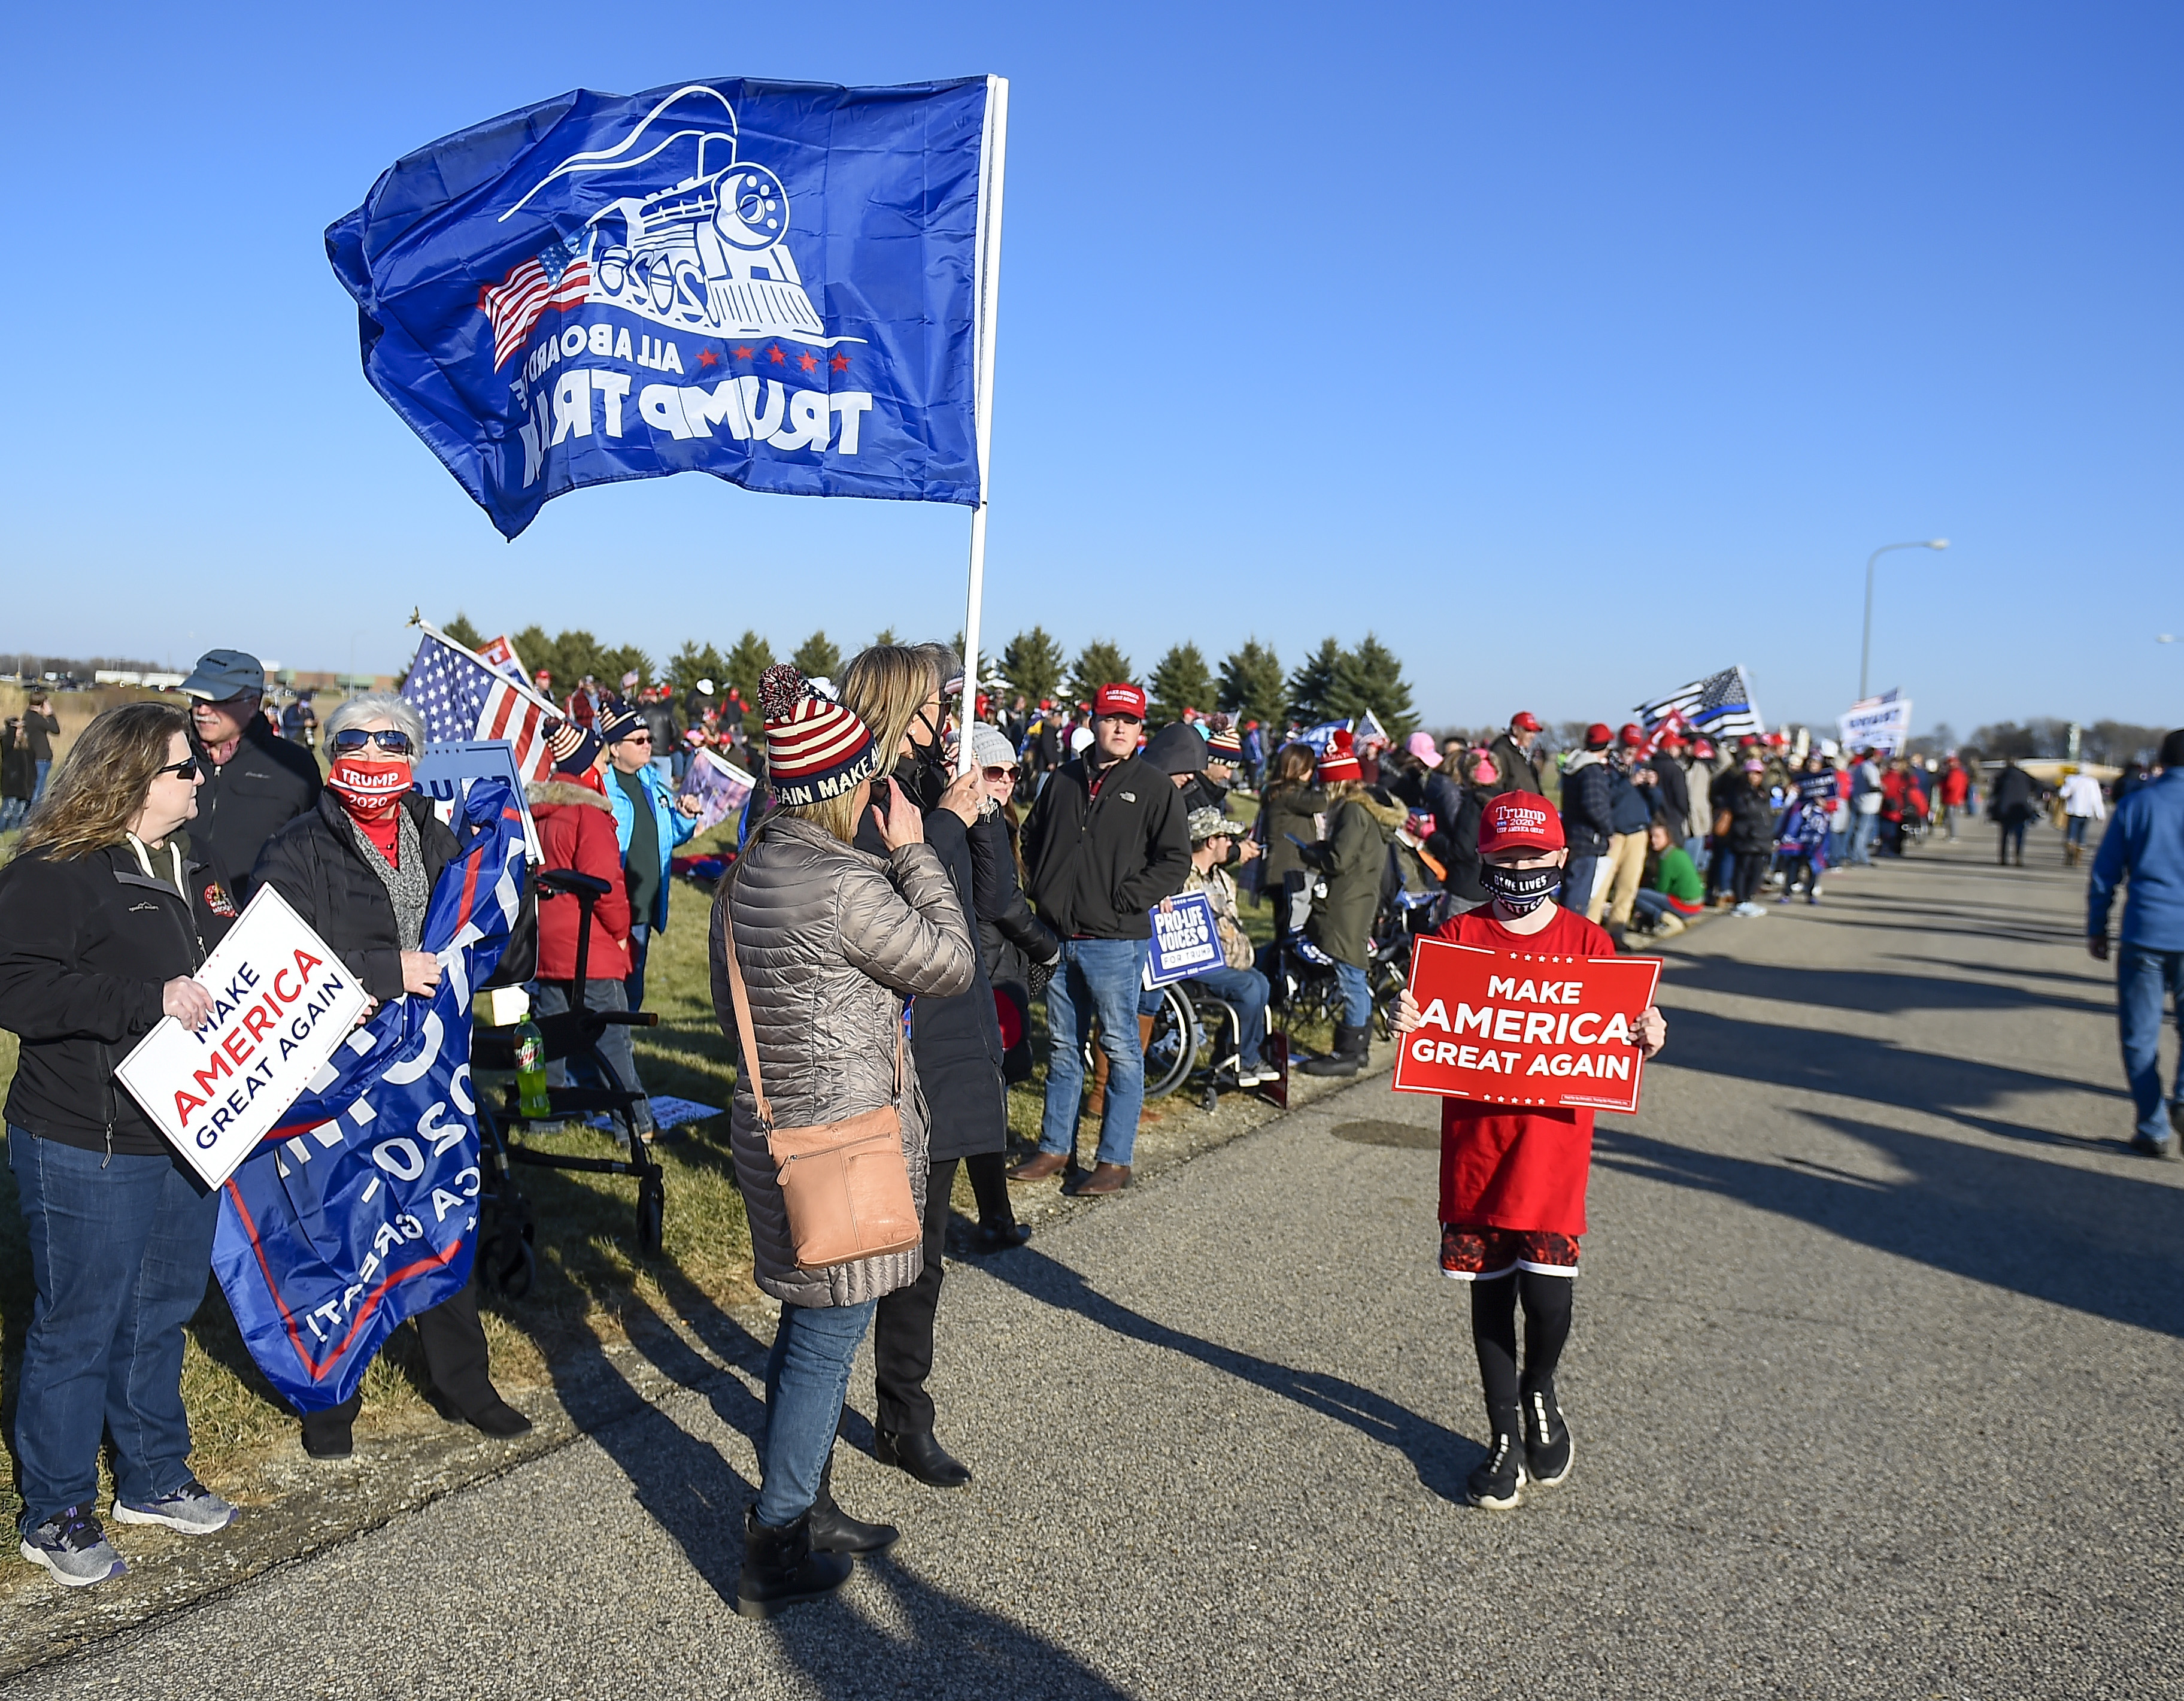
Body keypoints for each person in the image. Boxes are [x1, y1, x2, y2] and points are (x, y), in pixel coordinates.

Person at [706, 664, 973, 1617]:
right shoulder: (847, 884)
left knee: (806, 1322)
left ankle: (806, 1504)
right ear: (844, 787)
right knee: (827, 1338)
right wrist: (916, 852)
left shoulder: (748, 873)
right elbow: (950, 963)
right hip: (846, 1140)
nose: (875, 792)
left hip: (776, 1129)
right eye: (865, 778)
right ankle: (776, 1542)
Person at [0, 702, 242, 1585]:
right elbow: (18, 989)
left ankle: (151, 1474)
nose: (202, 779)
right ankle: (56, 1508)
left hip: (185, 1131)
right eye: (186, 768)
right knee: (79, 1321)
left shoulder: (200, 866)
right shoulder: (56, 871)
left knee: (162, 1308)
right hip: (86, 1134)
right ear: (133, 777)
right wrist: (147, 1000)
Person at [252, 693, 531, 1458]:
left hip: (428, 1076)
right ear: (330, 753)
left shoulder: (441, 839)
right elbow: (272, 965)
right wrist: (382, 971)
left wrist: (512, 880)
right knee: (338, 1233)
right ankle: (329, 1401)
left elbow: (502, 956)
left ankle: (463, 1382)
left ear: (414, 760)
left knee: (440, 1216)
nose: (371, 760)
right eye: (353, 744)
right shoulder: (296, 849)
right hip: (334, 1079)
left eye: (389, 746)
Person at [1392, 793, 1667, 1509]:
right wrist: (1412, 1017)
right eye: (1507, 857)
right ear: (1485, 860)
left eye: (1534, 856)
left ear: (1560, 859)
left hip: (1552, 1154)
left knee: (1546, 1298)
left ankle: (1539, 1387)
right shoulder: (1458, 937)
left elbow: (1618, 1036)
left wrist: (1647, 1035)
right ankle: (1503, 1438)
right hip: (1478, 1151)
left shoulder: (1590, 944)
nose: (1521, 869)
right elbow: (1436, 1032)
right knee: (1490, 1298)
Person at [839, 644, 1001, 1490]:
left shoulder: (933, 783)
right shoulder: (850, 794)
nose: (953, 715)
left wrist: (979, 814)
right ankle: (815, 1416)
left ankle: (905, 1413)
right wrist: (943, 823)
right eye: (942, 701)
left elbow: (978, 904)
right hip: (875, 1056)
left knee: (924, 1255)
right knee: (846, 1253)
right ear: (909, 706)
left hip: (942, 1052)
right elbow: (890, 910)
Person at [1010, 681, 1191, 1196]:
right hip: (1059, 935)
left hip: (1115, 940)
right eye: (1111, 718)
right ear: (1094, 721)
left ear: (1141, 729)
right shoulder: (1062, 778)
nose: (1119, 728)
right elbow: (1032, 835)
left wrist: (1127, 898)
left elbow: (1175, 859)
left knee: (1120, 1046)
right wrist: (1039, 886)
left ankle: (1114, 1158)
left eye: (1129, 721)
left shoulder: (1156, 788)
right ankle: (1054, 1147)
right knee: (1064, 1047)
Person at [526, 721, 654, 1138]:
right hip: (588, 942)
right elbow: (606, 883)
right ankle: (633, 1124)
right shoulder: (589, 814)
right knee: (612, 1037)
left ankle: (542, 1115)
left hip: (546, 941)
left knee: (546, 1034)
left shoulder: (540, 813)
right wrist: (620, 931)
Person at [964, 721, 1055, 1249]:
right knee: (985, 1098)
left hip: (1000, 968)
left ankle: (994, 1212)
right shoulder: (978, 819)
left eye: (1011, 771)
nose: (1004, 780)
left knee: (989, 1095)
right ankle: (994, 1217)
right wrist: (1046, 944)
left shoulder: (1001, 816)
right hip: (986, 968)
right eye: (992, 770)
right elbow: (999, 901)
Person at [2088, 729, 2184, 1158]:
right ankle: (2183, 1098)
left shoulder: (2137, 802)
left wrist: (2097, 924)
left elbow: (2105, 872)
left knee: (2139, 1035)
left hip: (2145, 928)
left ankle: (2153, 1125)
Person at [178, 649, 321, 908]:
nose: (201, 709)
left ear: (252, 702)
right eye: (197, 697)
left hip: (255, 924)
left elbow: (315, 853)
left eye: (216, 700)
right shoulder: (166, 757)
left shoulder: (293, 766)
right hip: (174, 917)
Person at [1297, 732, 1403, 1077]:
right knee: (1354, 971)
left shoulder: (1353, 811)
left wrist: (1310, 853)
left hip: (1348, 902)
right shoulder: (1364, 808)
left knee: (1350, 973)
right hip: (1359, 898)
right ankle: (1357, 1046)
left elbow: (1340, 860)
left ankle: (1350, 1049)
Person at [597, 704, 701, 1013]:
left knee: (633, 988)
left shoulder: (651, 781)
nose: (648, 745)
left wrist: (684, 818)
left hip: (644, 904)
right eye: (639, 740)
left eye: (648, 739)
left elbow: (667, 836)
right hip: (613, 904)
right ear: (615, 749)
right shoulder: (601, 786)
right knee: (607, 989)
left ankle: (625, 1049)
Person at [1179, 808, 1275, 1086]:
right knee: (1248, 988)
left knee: (1261, 983)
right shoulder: (1182, 880)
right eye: (1226, 839)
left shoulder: (1221, 879)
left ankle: (1234, 1054)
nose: (1231, 845)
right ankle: (1243, 1060)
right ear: (1211, 841)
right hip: (1196, 962)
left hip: (1228, 960)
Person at [1588, 724, 1653, 947]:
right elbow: (1606, 799)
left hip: (1637, 833)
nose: (1631, 751)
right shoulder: (1608, 769)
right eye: (1628, 746)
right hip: (1614, 833)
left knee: (1628, 886)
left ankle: (1617, 932)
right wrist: (1628, 783)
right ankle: (1591, 933)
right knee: (1601, 886)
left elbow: (1656, 804)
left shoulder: (1641, 766)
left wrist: (1652, 788)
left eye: (1635, 746)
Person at [1255, 742, 1328, 936]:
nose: (1313, 772)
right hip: (1285, 872)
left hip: (1286, 871)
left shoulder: (1280, 791)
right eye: (1311, 767)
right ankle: (1274, 966)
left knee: (1290, 929)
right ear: (1299, 768)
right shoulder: (1287, 794)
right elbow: (1321, 802)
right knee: (1290, 932)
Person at [1557, 724, 1615, 918]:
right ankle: (1570, 938)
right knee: (1579, 895)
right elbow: (1594, 805)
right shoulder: (1592, 771)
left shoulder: (1574, 766)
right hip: (1588, 839)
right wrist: (1608, 830)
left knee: (1571, 889)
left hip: (1573, 834)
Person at [1989, 757, 2042, 867]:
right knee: (2019, 835)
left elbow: (1994, 793)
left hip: (2004, 810)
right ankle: (2018, 857)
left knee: (2004, 835)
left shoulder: (2001, 776)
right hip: (2019, 809)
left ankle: (2003, 858)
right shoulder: (2024, 775)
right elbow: (2038, 785)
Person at [1489, 712, 1547, 796]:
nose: (1533, 736)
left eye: (1534, 732)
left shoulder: (1523, 752)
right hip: (1514, 807)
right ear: (1515, 730)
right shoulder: (1501, 751)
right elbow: (1497, 786)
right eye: (1528, 731)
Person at [2060, 767, 2107, 867]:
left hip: (2073, 811)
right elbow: (2097, 799)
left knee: (2071, 835)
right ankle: (2078, 859)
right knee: (2082, 835)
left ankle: (2069, 855)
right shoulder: (2092, 782)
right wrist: (2100, 814)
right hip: (2087, 812)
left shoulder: (2071, 780)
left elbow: (2063, 794)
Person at [1846, 748, 1883, 866]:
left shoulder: (1860, 767)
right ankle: (1860, 857)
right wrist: (1882, 788)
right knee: (1863, 831)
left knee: (1858, 830)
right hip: (1868, 803)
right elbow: (1873, 784)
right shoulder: (1869, 767)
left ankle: (1856, 855)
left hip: (1860, 801)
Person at [22, 690, 60, 803]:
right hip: (41, 759)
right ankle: (33, 818)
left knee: (35, 790)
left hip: (34, 757)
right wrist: (50, 714)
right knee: (38, 793)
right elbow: (55, 730)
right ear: (43, 704)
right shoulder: (37, 719)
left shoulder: (27, 716)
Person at [1, 714, 34, 832]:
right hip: (12, 785)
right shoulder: (7, 743)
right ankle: (2, 830)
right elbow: (9, 737)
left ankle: (12, 832)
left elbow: (31, 765)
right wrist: (13, 727)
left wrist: (32, 781)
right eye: (17, 729)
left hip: (24, 786)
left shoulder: (26, 747)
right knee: (7, 812)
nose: (19, 732)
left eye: (21, 729)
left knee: (18, 813)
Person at [1937, 754, 1970, 840]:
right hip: (1957, 798)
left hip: (1951, 798)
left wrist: (1942, 784)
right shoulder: (1962, 773)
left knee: (1951, 818)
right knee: (1952, 817)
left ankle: (1953, 835)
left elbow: (1950, 785)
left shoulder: (1953, 773)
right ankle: (1951, 834)